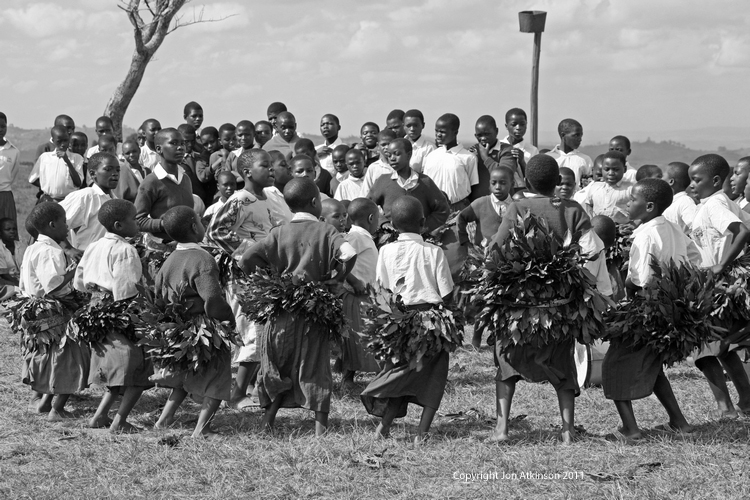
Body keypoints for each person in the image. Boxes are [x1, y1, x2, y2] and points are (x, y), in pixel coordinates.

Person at [489, 154, 603, 444]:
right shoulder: (573, 210)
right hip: (559, 308)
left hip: (519, 308)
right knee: (562, 366)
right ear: (558, 183)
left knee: (506, 364)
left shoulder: (517, 207)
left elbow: (496, 250)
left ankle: (502, 430)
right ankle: (567, 432)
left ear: (526, 181)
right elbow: (591, 252)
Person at [239, 177, 357, 436]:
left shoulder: (278, 232)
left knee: (278, 365)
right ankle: (319, 430)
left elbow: (247, 258)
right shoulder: (327, 232)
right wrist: (336, 279)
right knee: (315, 366)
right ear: (316, 202)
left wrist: (267, 279)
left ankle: (267, 424)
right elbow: (348, 254)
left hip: (281, 311)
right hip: (315, 312)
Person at [603, 179, 699, 440]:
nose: (627, 203)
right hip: (672, 306)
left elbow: (643, 280)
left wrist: (627, 285)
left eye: (632, 200)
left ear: (648, 206)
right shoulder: (672, 229)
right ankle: (679, 422)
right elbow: (695, 259)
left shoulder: (645, 235)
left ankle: (630, 429)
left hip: (646, 307)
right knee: (653, 367)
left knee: (615, 365)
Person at [360, 196, 454, 443]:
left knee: (401, 371)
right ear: (423, 222)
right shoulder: (433, 251)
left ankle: (384, 427)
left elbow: (381, 289)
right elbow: (446, 292)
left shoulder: (385, 251)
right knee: (434, 376)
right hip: (430, 323)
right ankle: (421, 433)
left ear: (392, 224)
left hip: (397, 322)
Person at [154, 206, 236, 438]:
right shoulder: (203, 259)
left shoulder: (169, 260)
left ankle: (165, 418)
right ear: (193, 227)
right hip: (204, 328)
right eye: (200, 221)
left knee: (184, 374)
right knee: (217, 377)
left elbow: (158, 295)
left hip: (178, 328)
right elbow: (212, 298)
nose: (203, 225)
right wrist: (227, 319)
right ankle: (202, 428)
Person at [74, 199, 151, 433]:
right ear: (119, 225)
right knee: (137, 369)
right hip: (119, 310)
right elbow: (126, 288)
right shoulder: (126, 250)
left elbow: (79, 281)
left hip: (95, 308)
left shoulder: (93, 246)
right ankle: (119, 422)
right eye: (133, 218)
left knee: (115, 367)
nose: (137, 222)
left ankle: (100, 416)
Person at [688, 154, 750, 419]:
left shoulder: (715, 204)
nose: (691, 184)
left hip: (720, 285)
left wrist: (721, 264)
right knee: (723, 346)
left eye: (696, 179)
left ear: (715, 180)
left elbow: (742, 231)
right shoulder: (719, 202)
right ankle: (747, 400)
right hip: (723, 284)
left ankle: (725, 408)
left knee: (702, 348)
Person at [19, 202, 90, 421]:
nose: (68, 228)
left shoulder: (32, 248)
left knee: (53, 359)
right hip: (53, 312)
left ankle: (45, 403)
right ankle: (57, 409)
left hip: (36, 310)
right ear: (52, 225)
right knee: (69, 358)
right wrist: (73, 272)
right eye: (65, 223)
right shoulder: (50, 252)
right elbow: (53, 285)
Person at [368, 139, 450, 234]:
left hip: (420, 239)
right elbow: (367, 205)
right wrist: (383, 222)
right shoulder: (383, 181)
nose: (392, 158)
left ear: (408, 155)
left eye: (397, 154)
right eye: (389, 155)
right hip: (390, 238)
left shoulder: (425, 182)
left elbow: (443, 209)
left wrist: (425, 228)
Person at [340, 198, 381, 390]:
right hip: (357, 296)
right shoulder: (356, 237)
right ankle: (347, 378)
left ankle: (353, 375)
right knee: (355, 337)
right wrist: (353, 281)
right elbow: (339, 260)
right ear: (371, 218)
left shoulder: (363, 237)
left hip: (366, 296)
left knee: (362, 335)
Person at [134, 128, 194, 248]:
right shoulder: (151, 182)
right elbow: (137, 220)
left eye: (182, 143)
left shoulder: (185, 178)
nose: (180, 148)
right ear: (159, 149)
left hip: (185, 243)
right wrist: (165, 224)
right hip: (161, 246)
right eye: (173, 143)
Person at [59, 152, 119, 251]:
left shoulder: (116, 201)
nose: (115, 173)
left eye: (118, 170)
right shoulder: (85, 197)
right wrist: (68, 249)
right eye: (108, 169)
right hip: (87, 260)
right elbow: (53, 221)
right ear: (92, 173)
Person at [422, 113, 479, 210]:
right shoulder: (431, 156)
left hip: (459, 207)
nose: (438, 135)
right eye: (436, 131)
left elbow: (473, 187)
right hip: (434, 209)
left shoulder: (468, 157)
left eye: (443, 132)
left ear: (455, 132)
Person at [457, 166, 514, 250]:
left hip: (511, 254)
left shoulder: (516, 205)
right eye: (493, 183)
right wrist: (465, 242)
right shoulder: (480, 203)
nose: (497, 187)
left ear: (512, 184)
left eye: (503, 183)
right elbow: (461, 217)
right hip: (485, 254)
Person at [573, 151, 632, 224]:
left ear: (625, 169)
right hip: (597, 230)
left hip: (621, 231)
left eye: (616, 169)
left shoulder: (630, 189)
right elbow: (589, 205)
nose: (611, 173)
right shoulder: (594, 187)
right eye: (607, 169)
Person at [29, 125, 84, 203]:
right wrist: (48, 187)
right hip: (49, 201)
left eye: (66, 140)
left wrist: (67, 161)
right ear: (53, 140)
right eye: (59, 141)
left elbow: (78, 183)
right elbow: (32, 179)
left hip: (69, 202)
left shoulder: (77, 158)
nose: (63, 144)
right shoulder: (45, 157)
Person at [546, 119, 592, 188]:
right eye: (576, 135)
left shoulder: (585, 160)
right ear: (563, 135)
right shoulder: (549, 158)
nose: (580, 139)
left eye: (581, 135)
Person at [499, 108, 539, 183]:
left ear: (526, 125)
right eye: (514, 124)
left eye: (522, 124)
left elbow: (534, 179)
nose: (518, 128)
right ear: (506, 126)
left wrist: (522, 162)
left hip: (523, 191)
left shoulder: (533, 151)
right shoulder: (498, 146)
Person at [662, 162, 697, 234]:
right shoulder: (668, 202)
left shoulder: (685, 201)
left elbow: (696, 227)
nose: (660, 179)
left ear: (671, 181)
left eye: (662, 176)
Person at [360, 129, 398, 195]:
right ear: (378, 145)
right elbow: (365, 193)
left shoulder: (402, 165)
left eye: (389, 144)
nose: (386, 147)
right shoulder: (373, 168)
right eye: (383, 145)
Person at [178, 124, 209, 205]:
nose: (190, 144)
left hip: (203, 201)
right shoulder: (175, 161)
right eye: (186, 141)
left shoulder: (201, 157)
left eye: (192, 141)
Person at [0, 112, 20, 223]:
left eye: (3, 126)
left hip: (5, 195)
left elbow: (13, 175)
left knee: (6, 233)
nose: (0, 129)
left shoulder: (14, 151)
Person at [403, 109, 435, 174]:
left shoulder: (429, 148)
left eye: (416, 125)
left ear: (423, 125)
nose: (412, 129)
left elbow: (427, 174)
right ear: (403, 126)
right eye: (408, 126)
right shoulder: (399, 144)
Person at [0, 217, 19, 286]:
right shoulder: (0, 248)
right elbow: (4, 274)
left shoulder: (23, 245)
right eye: (8, 229)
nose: (12, 231)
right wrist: (20, 286)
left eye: (14, 229)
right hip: (8, 282)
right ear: (0, 232)